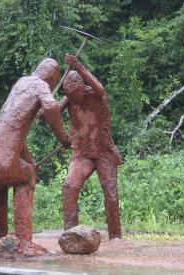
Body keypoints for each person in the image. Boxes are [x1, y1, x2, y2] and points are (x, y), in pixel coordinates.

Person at [0, 58, 70, 256]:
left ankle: (0, 242)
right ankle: (24, 242)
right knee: (27, 178)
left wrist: (29, 161)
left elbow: (14, 134)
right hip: (4, 161)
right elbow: (52, 107)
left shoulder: (21, 83)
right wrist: (63, 137)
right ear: (53, 75)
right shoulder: (40, 85)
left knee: (0, 190)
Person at [60, 53, 123, 241]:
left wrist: (77, 65)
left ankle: (115, 237)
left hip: (103, 152)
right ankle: (70, 235)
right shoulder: (70, 98)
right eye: (69, 96)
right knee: (69, 186)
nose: (74, 99)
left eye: (76, 94)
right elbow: (54, 111)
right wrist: (46, 113)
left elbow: (100, 88)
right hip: (82, 153)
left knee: (110, 191)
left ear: (83, 88)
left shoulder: (95, 95)